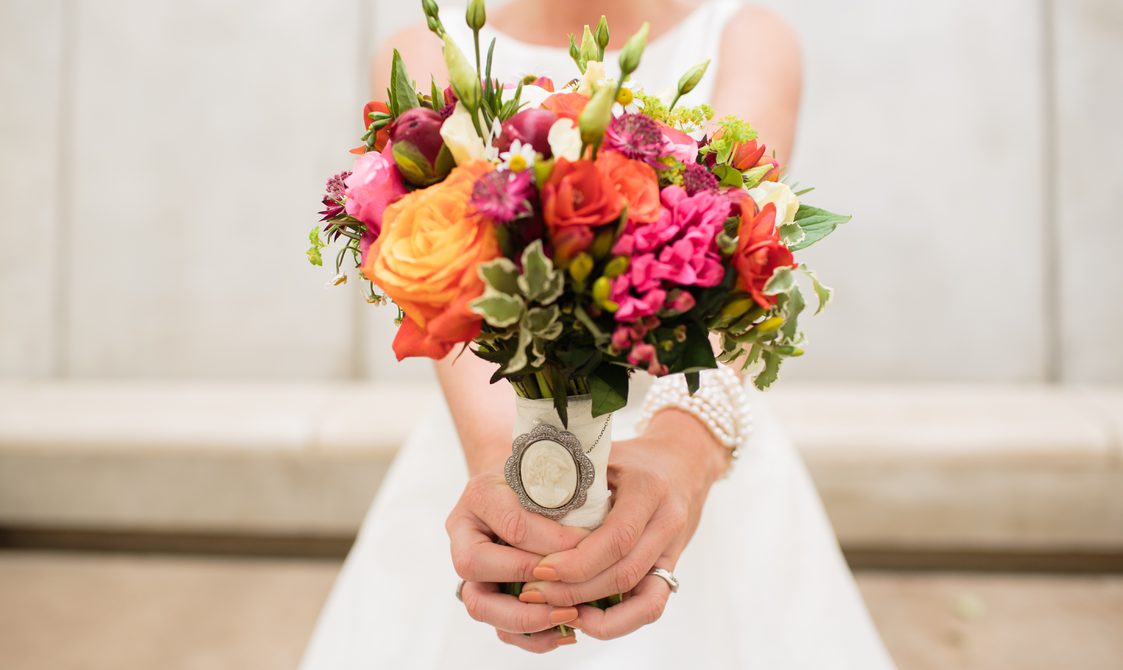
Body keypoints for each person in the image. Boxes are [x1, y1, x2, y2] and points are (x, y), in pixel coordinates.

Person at [301, 1, 897, 667]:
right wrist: (519, 495)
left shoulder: (746, 40)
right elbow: (455, 322)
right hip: (498, 428)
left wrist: (680, 457)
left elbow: (737, 262)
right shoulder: (427, 53)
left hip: (693, 426)